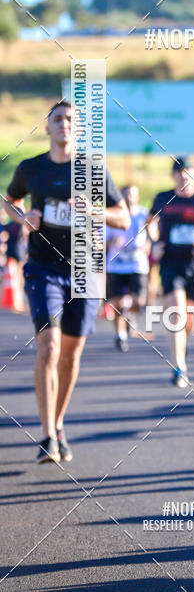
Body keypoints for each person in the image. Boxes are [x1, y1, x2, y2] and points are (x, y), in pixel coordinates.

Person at [2, 101, 129, 464]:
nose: (64, 125)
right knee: (48, 347)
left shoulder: (93, 170)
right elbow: (8, 201)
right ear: (47, 127)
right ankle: (46, 435)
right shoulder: (31, 168)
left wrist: (94, 211)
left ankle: (58, 424)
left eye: (71, 120)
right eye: (57, 119)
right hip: (43, 267)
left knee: (70, 356)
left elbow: (122, 217)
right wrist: (23, 216)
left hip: (85, 268)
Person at [149, 157, 194, 387]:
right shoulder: (162, 198)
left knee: (192, 321)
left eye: (187, 171)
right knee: (177, 315)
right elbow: (149, 223)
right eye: (178, 172)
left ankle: (181, 344)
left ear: (193, 174)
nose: (183, 176)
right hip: (171, 262)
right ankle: (180, 367)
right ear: (173, 176)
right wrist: (154, 243)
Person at [106, 185, 153, 352]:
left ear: (137, 197)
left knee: (138, 302)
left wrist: (149, 241)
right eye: (126, 195)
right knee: (117, 303)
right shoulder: (113, 215)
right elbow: (101, 240)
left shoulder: (143, 214)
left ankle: (130, 315)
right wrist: (112, 242)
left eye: (132, 195)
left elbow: (154, 234)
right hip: (116, 264)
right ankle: (121, 336)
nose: (129, 198)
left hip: (137, 264)